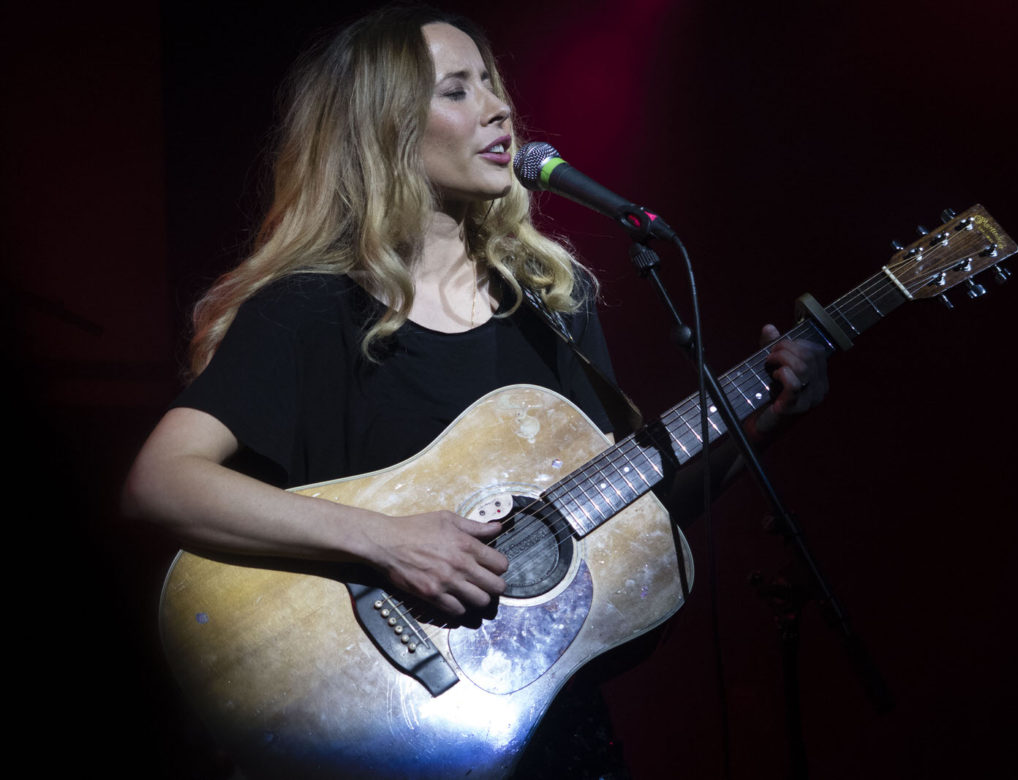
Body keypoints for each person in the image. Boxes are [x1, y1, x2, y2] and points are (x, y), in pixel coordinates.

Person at [123, 4, 827, 778]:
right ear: (383, 130)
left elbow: (621, 517)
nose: (498, 108)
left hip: (544, 728)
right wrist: (388, 541)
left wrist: (759, 427)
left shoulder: (551, 307)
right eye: (456, 90)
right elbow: (161, 483)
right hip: (368, 719)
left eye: (491, 83)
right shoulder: (309, 308)